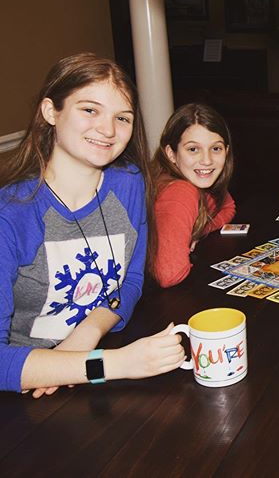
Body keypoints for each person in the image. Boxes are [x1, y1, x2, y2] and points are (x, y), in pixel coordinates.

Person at [0, 53, 185, 396]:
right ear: (50, 111)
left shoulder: (130, 182)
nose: (109, 130)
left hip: (95, 364)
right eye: (90, 110)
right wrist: (114, 364)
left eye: (123, 117)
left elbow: (130, 279)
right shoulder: (10, 213)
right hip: (28, 392)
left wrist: (88, 332)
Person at [151, 103, 235, 288]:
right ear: (171, 154)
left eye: (216, 149)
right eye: (193, 149)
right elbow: (169, 274)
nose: (206, 160)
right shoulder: (181, 191)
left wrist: (196, 229)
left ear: (226, 151)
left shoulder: (195, 183)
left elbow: (228, 207)